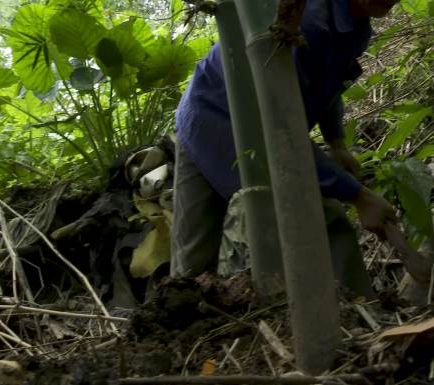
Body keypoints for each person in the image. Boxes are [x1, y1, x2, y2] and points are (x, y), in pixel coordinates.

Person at [171, 0, 401, 296]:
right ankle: (359, 307)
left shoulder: (356, 27)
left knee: (316, 211)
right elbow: (281, 129)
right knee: (315, 211)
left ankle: (355, 306)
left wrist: (336, 141)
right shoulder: (307, 21)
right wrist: (360, 197)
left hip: (257, 120)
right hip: (211, 114)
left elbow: (330, 83)